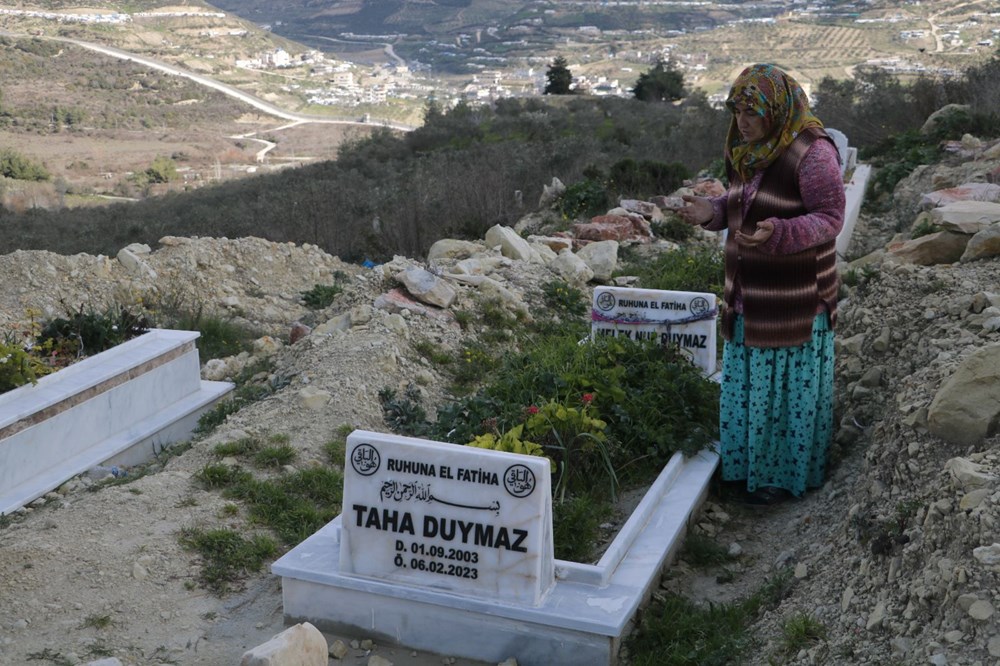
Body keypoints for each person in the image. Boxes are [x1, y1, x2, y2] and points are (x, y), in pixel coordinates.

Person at [674, 63, 845, 506]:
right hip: (750, 295)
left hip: (795, 300)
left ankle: (781, 479)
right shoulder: (748, 150)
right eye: (736, 111)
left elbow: (830, 219)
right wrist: (711, 213)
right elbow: (742, 202)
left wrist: (781, 233)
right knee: (753, 389)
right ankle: (749, 469)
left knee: (785, 393)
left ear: (778, 109)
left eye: (753, 112)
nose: (742, 121)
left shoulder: (812, 152)